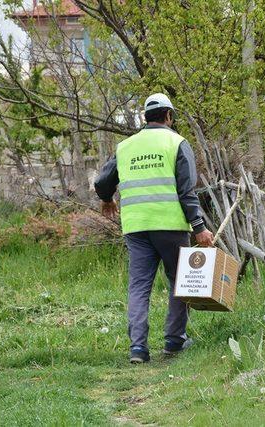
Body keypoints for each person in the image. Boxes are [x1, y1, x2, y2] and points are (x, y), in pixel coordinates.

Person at [94, 93, 214, 363]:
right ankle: (174, 341)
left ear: (145, 118)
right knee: (178, 281)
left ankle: (138, 348)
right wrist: (199, 227)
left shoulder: (125, 147)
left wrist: (106, 200)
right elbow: (187, 191)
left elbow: (102, 182)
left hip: (136, 227)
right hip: (170, 226)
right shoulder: (178, 143)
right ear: (169, 116)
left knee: (139, 286)